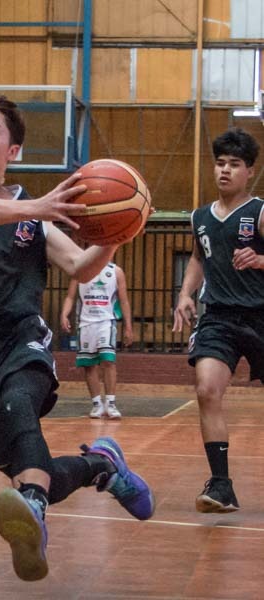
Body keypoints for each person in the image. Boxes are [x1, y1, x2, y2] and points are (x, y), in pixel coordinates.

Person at [0, 94, 154, 582]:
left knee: (18, 401)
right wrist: (40, 206)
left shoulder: (36, 219)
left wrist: (114, 232)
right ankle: (99, 467)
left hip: (17, 340)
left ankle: (35, 509)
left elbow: (82, 268)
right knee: (32, 472)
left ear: (14, 151)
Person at [173, 127, 264, 514]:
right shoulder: (200, 217)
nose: (225, 170)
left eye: (235, 164)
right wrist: (184, 293)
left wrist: (261, 260)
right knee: (207, 390)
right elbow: (198, 257)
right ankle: (222, 485)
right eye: (220, 163)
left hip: (260, 315)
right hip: (220, 318)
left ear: (250, 172)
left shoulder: (259, 212)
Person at [60, 261, 133, 418]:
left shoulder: (116, 271)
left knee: (108, 361)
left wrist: (128, 326)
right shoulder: (80, 270)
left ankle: (111, 403)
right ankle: (97, 404)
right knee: (89, 364)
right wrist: (64, 314)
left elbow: (124, 300)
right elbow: (70, 297)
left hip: (106, 322)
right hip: (86, 323)